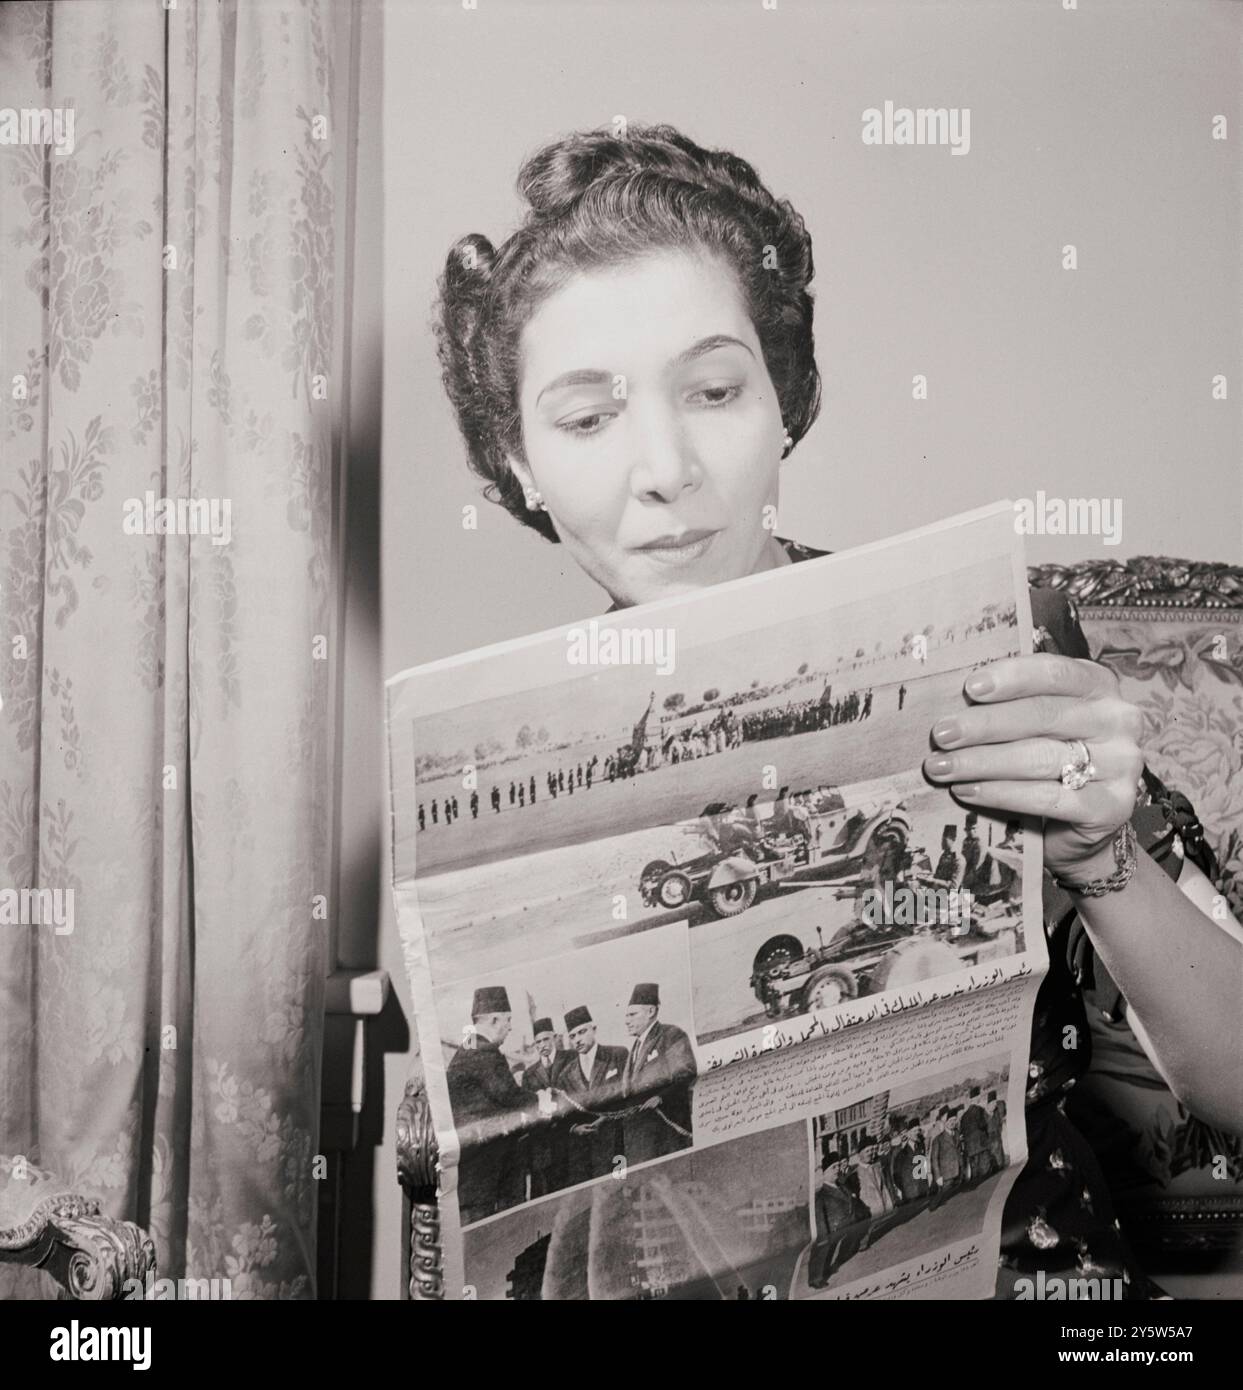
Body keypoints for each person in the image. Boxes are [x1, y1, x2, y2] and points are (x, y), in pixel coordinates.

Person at [433, 121, 1241, 1296]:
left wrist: (1102, 858)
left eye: (712, 388)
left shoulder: (990, 652)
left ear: (785, 402)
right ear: (515, 462)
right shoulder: (494, 771)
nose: (663, 465)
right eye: (587, 418)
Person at [444, 986, 540, 1224]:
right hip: (484, 1176)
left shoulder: (468, 1049)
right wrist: (542, 1099)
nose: (510, 1027)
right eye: (507, 1020)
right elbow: (509, 1096)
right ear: (494, 1019)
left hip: (474, 1175)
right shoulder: (485, 1052)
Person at [620, 983, 697, 1164]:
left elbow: (686, 1074)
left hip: (667, 1128)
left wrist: (660, 1098)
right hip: (640, 1134)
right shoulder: (636, 1045)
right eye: (626, 1015)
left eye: (632, 1014)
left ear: (651, 1011)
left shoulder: (671, 1035)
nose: (627, 1021)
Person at [552, 1005, 628, 1185]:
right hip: (586, 1149)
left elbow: (630, 1093)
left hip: (618, 1139)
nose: (577, 1039)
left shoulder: (617, 1055)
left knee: (623, 1188)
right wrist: (574, 1128)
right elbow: (565, 1113)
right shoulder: (565, 1074)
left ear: (594, 1030)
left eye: (582, 1032)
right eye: (572, 1036)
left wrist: (606, 1118)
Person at [809, 1153, 872, 1289]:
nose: (837, 1169)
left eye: (838, 1166)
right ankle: (816, 1278)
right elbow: (819, 1217)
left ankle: (836, 1263)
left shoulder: (842, 1187)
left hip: (849, 1223)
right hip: (833, 1228)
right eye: (833, 1167)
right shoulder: (821, 1194)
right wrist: (823, 1234)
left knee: (840, 1247)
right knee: (824, 1251)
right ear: (824, 1172)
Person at [521, 1016, 568, 1197]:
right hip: (543, 1146)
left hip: (568, 1140)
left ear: (555, 1038)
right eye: (537, 1042)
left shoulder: (571, 1058)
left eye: (546, 1039)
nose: (542, 1045)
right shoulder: (529, 1074)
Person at [959, 1086, 992, 1185]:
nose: (980, 1097)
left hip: (971, 1151)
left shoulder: (964, 1116)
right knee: (987, 1175)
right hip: (981, 1148)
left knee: (976, 1176)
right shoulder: (980, 1110)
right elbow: (983, 1125)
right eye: (980, 1096)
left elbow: (962, 1132)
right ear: (977, 1097)